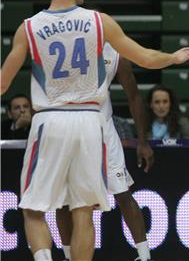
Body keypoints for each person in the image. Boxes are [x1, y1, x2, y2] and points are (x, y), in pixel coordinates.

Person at [0, 0, 189, 261]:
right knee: (83, 209)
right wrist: (173, 57)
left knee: (32, 208)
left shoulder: (29, 28)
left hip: (51, 119)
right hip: (91, 122)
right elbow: (145, 58)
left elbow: (2, 84)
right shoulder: (99, 22)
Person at [56, 43, 155, 261]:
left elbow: (134, 96)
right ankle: (68, 256)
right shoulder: (65, 45)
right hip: (70, 127)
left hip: (103, 129)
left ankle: (145, 256)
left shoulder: (115, 53)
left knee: (123, 194)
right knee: (64, 199)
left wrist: (143, 141)